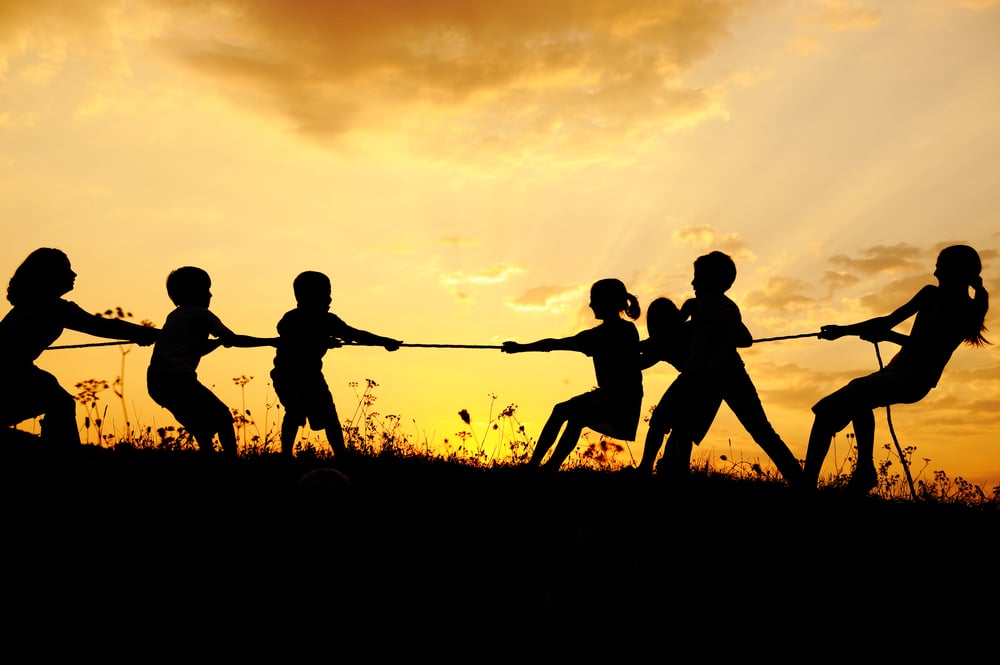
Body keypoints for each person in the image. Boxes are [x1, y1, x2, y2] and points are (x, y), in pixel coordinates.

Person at [803, 244, 989, 492]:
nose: (935, 273)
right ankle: (809, 485)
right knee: (826, 411)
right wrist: (843, 331)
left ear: (956, 272)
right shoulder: (929, 294)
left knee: (858, 390)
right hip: (894, 372)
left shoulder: (966, 310)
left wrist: (887, 337)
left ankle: (863, 470)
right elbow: (887, 321)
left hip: (916, 380)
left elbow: (930, 349)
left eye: (940, 267)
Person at [658, 251, 802, 483]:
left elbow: (671, 332)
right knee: (761, 429)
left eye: (696, 277)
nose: (692, 282)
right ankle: (798, 478)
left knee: (682, 426)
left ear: (707, 279)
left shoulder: (694, 305)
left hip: (701, 375)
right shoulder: (731, 308)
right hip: (733, 373)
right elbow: (746, 339)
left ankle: (676, 478)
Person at [0, 248, 158, 447]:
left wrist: (142, 334)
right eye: (66, 269)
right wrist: (148, 333)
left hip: (14, 370)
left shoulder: (32, 306)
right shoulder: (55, 308)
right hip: (11, 371)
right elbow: (100, 326)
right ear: (50, 276)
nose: (74, 274)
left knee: (55, 398)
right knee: (59, 401)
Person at [502, 278, 642, 471]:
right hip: (611, 395)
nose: (591, 304)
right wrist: (521, 348)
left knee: (576, 416)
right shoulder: (617, 331)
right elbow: (554, 344)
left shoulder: (606, 334)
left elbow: (554, 344)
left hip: (622, 399)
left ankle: (547, 468)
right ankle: (536, 466)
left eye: (594, 299)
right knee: (562, 410)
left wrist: (520, 348)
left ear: (606, 302)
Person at [146, 266, 277, 456]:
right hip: (179, 379)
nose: (210, 294)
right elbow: (234, 339)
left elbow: (193, 348)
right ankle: (232, 459)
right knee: (223, 417)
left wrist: (217, 343)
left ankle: (210, 459)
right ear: (195, 291)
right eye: (206, 289)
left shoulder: (174, 316)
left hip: (156, 383)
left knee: (201, 425)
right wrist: (271, 342)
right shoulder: (203, 315)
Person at [270, 271, 402, 458]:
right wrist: (321, 341)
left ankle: (341, 456)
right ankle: (285, 455)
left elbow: (355, 334)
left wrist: (383, 341)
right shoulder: (291, 319)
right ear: (304, 296)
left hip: (313, 376)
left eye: (329, 293)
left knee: (329, 415)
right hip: (287, 375)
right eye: (324, 294)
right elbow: (293, 336)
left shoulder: (329, 321)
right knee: (295, 411)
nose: (329, 298)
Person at [635, 297, 722, 474]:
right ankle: (662, 467)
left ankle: (664, 468)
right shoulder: (662, 342)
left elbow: (692, 304)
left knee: (678, 428)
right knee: (672, 426)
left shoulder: (688, 329)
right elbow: (641, 360)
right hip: (698, 381)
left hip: (707, 380)